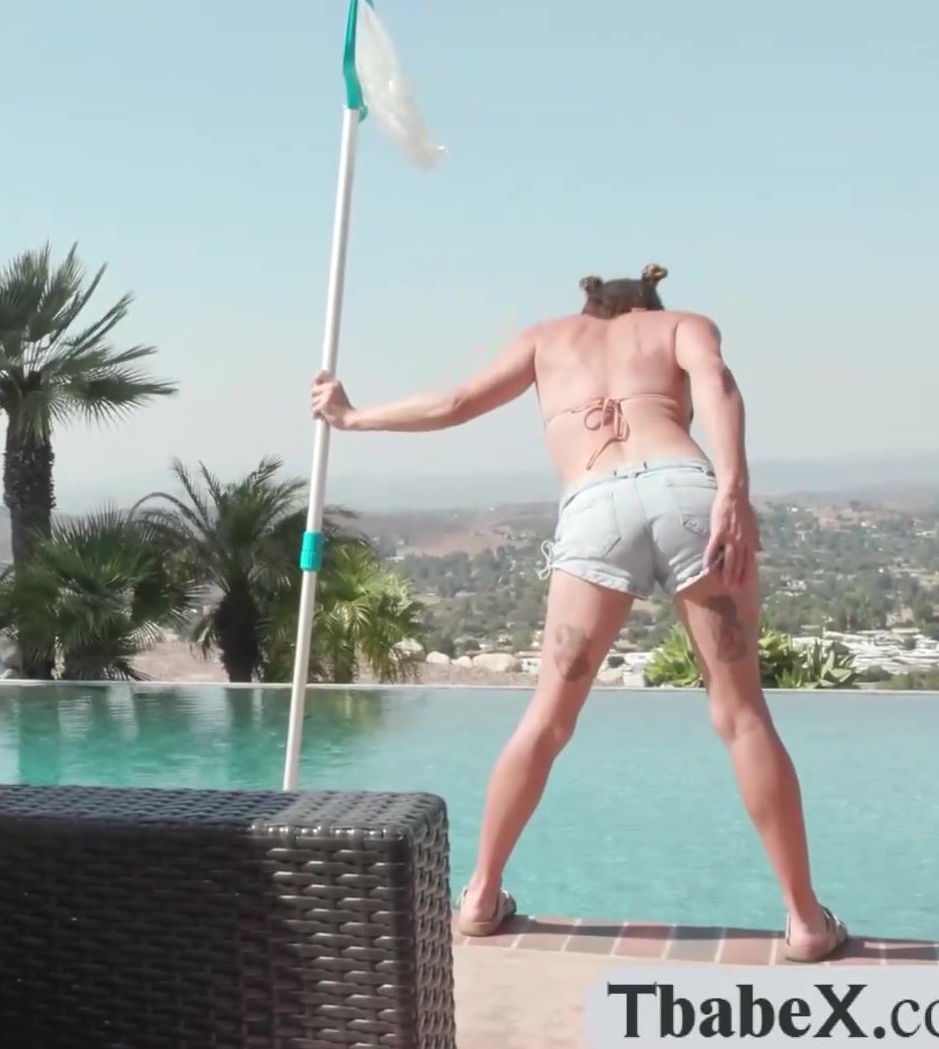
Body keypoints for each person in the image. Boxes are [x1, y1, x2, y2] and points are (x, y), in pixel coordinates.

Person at [308, 264, 849, 963]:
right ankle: (805, 921)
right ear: (647, 304)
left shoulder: (545, 338)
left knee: (548, 717)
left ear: (590, 306)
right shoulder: (682, 325)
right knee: (741, 715)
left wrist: (351, 416)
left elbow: (457, 401)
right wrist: (734, 490)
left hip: (596, 510)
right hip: (688, 497)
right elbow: (716, 382)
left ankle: (480, 898)